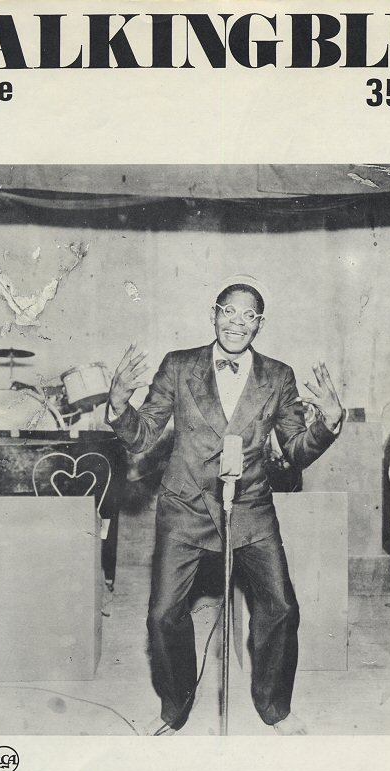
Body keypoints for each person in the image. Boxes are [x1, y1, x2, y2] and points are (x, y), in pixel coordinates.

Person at [107, 279, 345, 735]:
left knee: (281, 607)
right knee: (163, 614)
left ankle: (274, 708)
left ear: (260, 324)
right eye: (228, 312)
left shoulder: (278, 375)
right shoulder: (179, 365)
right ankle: (175, 707)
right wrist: (118, 405)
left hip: (251, 507)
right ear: (213, 314)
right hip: (186, 507)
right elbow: (143, 435)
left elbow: (295, 450)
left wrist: (329, 423)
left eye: (248, 315)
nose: (237, 323)